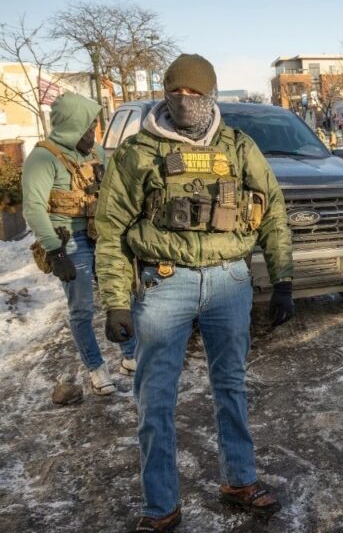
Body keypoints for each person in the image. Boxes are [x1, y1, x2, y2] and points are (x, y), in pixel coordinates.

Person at [95, 53, 294, 531]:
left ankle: (239, 480)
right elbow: (110, 230)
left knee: (231, 386)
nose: (185, 101)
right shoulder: (138, 152)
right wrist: (117, 300)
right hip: (165, 283)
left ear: (211, 93)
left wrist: (284, 279)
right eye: (176, 91)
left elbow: (274, 213)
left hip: (229, 282)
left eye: (194, 92)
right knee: (155, 397)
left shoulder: (240, 147)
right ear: (166, 94)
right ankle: (161, 505)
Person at [21, 92, 137, 398]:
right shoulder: (42, 158)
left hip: (101, 236)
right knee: (82, 309)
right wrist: (55, 251)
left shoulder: (96, 152)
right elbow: (33, 208)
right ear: (71, 127)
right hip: (69, 242)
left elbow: (113, 193)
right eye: (87, 128)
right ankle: (96, 368)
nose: (93, 134)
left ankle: (130, 356)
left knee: (121, 296)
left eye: (94, 127)